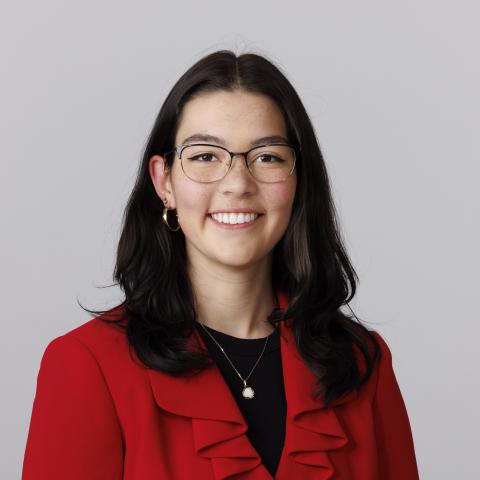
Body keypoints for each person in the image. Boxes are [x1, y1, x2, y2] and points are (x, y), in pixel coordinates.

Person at [22, 50, 419, 479]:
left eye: (267, 157)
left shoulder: (362, 365)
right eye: (205, 156)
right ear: (164, 181)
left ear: (298, 180)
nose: (237, 184)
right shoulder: (87, 365)